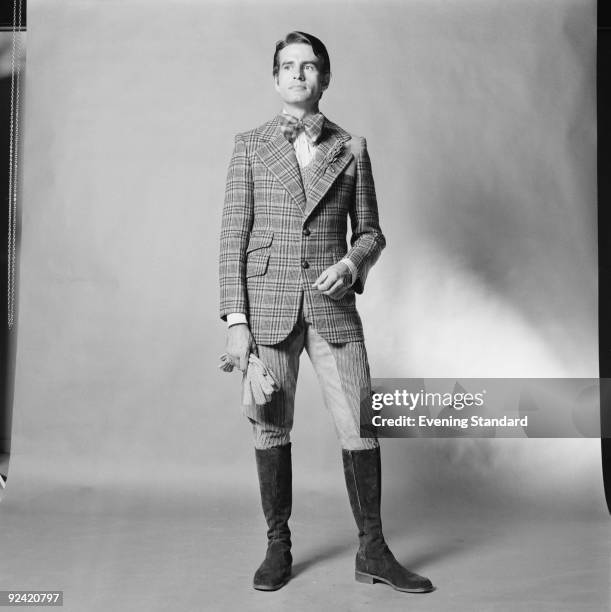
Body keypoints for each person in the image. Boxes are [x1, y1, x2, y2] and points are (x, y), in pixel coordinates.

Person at [219, 30, 433, 594]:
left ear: (325, 78)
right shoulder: (248, 145)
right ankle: (278, 546)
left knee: (362, 422)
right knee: (270, 425)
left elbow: (371, 232)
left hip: (331, 305)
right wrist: (236, 322)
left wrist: (352, 264)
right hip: (268, 308)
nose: (297, 74)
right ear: (274, 77)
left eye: (309, 66)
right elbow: (231, 238)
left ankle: (373, 550)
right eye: (287, 66)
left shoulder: (351, 146)